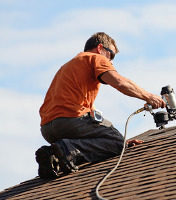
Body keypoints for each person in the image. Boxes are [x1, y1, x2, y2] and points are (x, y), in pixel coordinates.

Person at [36, 32, 166, 179]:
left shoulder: (68, 66)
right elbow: (119, 82)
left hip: (47, 129)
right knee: (117, 143)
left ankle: (55, 158)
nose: (111, 62)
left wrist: (113, 141)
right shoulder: (95, 58)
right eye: (111, 55)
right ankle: (66, 149)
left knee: (115, 140)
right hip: (70, 121)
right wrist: (149, 97)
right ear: (100, 48)